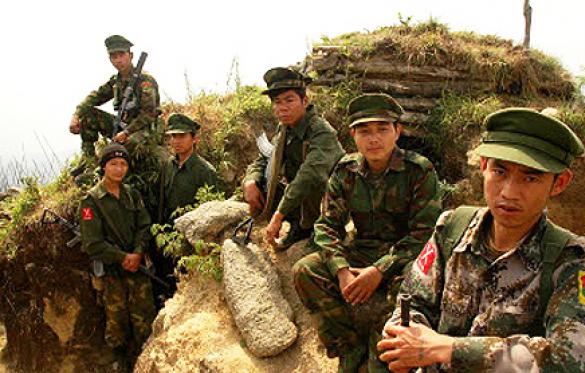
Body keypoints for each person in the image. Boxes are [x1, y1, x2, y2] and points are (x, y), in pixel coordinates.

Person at [377, 108, 585, 372]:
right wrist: (403, 337)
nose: (509, 192)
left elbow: (577, 359)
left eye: (530, 178)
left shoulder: (570, 259)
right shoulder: (452, 227)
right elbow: (413, 300)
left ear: (559, 183)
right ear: (484, 165)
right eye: (500, 171)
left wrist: (449, 349)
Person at [293, 93, 443, 372]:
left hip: (403, 256)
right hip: (361, 249)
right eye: (365, 131)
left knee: (410, 287)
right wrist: (341, 270)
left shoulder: (420, 171)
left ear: (397, 131)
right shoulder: (345, 170)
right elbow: (326, 226)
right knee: (305, 270)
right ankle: (348, 345)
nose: (374, 139)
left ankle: (382, 352)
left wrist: (379, 271)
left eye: (382, 129)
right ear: (353, 135)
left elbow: (425, 234)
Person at [242, 67, 345, 250]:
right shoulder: (284, 130)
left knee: (311, 184)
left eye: (289, 100)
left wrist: (279, 215)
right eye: (277, 102)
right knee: (263, 184)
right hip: (304, 199)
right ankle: (301, 227)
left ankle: (325, 230)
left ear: (304, 101)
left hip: (331, 201)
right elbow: (265, 159)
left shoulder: (320, 131)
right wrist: (250, 181)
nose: (282, 107)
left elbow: (310, 175)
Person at [79, 143, 156, 370]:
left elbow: (145, 225)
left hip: (138, 270)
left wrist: (138, 252)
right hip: (113, 274)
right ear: (104, 167)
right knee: (116, 326)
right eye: (113, 164)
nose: (119, 169)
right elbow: (92, 244)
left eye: (123, 164)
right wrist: (123, 257)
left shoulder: (132, 194)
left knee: (145, 322)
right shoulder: (91, 201)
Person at [152, 112, 222, 301]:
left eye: (182, 136)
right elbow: (161, 200)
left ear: (194, 138)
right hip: (167, 239)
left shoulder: (205, 171)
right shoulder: (168, 166)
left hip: (191, 243)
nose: (176, 141)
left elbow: (212, 213)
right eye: (173, 136)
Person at [69, 35, 161, 177]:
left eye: (121, 55)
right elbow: (95, 97)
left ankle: (106, 171)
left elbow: (149, 114)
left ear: (130, 56)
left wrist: (126, 133)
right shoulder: (116, 81)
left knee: (125, 145)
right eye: (113, 56)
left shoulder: (145, 81)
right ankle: (88, 162)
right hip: (122, 126)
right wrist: (76, 115)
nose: (118, 60)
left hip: (143, 129)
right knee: (88, 115)